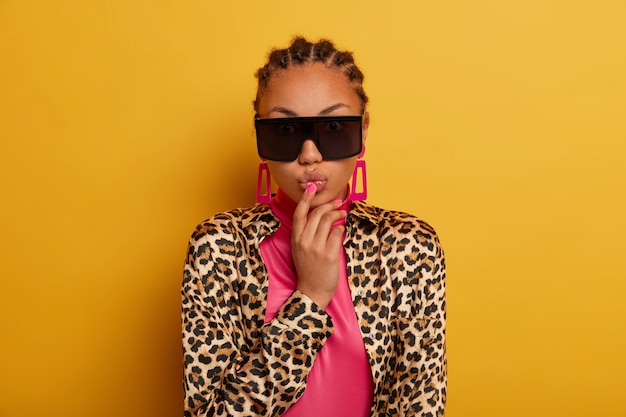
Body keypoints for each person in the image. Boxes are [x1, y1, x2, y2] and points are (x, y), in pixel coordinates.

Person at [181, 37, 446, 417]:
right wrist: (310, 298)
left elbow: (420, 406)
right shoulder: (220, 248)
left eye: (334, 126)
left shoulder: (407, 248)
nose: (310, 154)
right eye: (285, 131)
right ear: (259, 136)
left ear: (364, 130)